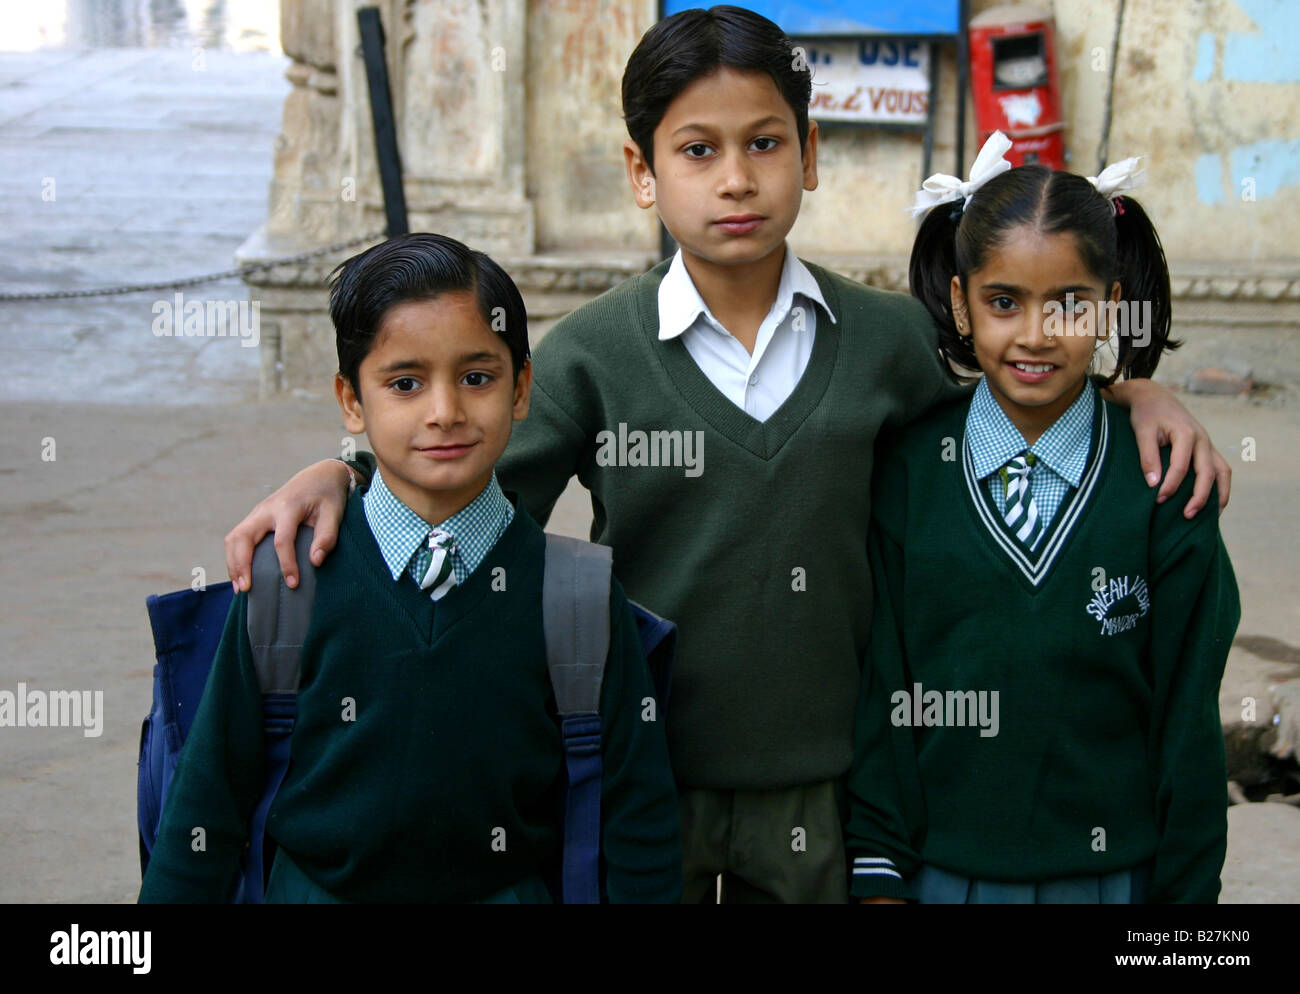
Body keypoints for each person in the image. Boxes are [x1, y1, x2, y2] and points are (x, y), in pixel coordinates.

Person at [223, 7, 1230, 904]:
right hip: (641, 773)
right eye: (696, 150)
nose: (736, 179)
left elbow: (1016, 401)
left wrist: (1132, 391)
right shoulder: (591, 355)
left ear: (812, 151)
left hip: (825, 794)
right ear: (640, 171)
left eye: (764, 143)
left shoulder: (885, 341)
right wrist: (341, 472)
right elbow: (458, 478)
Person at [140, 233, 681, 903]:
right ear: (351, 401)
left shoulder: (575, 597)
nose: (445, 411)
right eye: (404, 383)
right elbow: (206, 807)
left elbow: (641, 822)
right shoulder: (289, 585)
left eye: (477, 377)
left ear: (521, 387)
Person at [846, 138, 1239, 904]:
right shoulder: (907, 473)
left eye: (1069, 304)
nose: (1034, 334)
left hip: (1114, 883)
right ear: (961, 304)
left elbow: (1189, 725)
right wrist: (881, 873)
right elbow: (883, 699)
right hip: (939, 881)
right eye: (1003, 302)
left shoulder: (1166, 487)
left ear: (1111, 305)